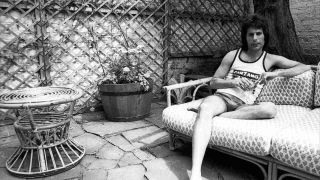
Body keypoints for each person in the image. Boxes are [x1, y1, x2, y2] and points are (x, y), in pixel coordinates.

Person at [189, 14, 311, 180]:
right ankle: (196, 173)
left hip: (244, 105)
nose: (255, 38)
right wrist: (234, 81)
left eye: (258, 33)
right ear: (245, 37)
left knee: (270, 109)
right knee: (205, 107)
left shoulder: (269, 59)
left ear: (265, 36)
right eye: (250, 34)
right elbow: (213, 83)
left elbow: (303, 66)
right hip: (223, 98)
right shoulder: (232, 55)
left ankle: (218, 116)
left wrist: (275, 75)